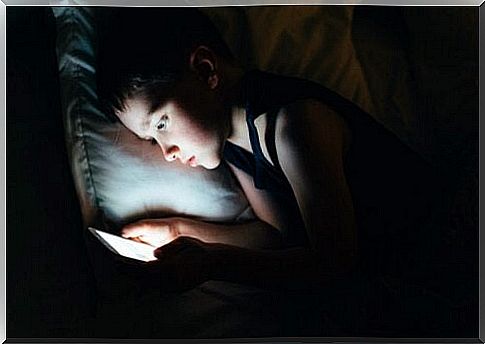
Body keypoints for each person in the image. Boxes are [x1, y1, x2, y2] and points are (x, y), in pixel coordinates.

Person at [96, 8, 453, 331]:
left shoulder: (295, 125)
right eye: (151, 140)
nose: (168, 153)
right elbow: (274, 233)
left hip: (444, 263)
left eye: (161, 124)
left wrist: (214, 264)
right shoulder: (235, 146)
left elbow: (333, 261)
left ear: (206, 70)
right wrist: (175, 232)